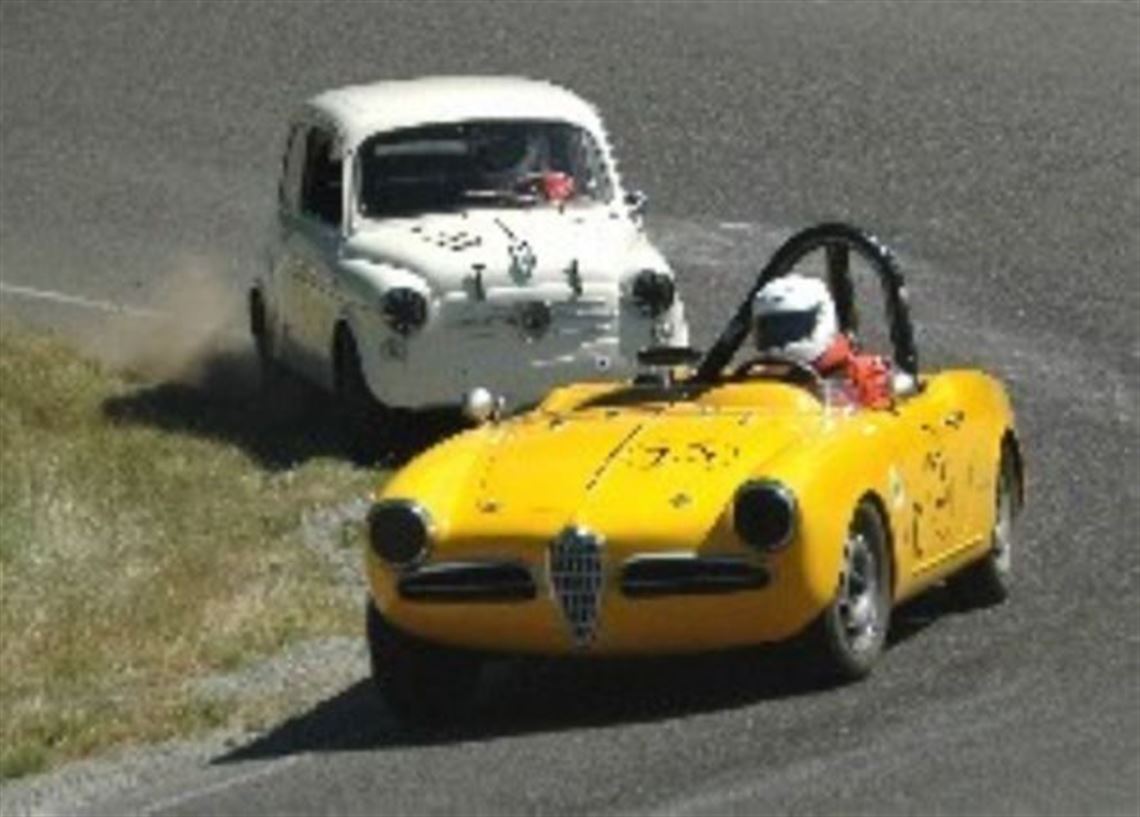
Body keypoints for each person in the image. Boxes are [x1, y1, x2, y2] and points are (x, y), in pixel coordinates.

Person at [752, 274, 893, 409]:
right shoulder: (757, 377)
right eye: (771, 328)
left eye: (791, 327)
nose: (780, 336)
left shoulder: (864, 375)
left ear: (823, 320)